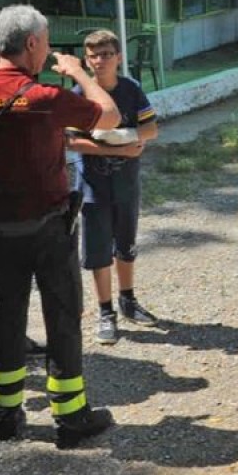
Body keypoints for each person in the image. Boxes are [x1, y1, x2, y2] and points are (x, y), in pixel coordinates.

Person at [0, 4, 121, 447]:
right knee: (61, 318)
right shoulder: (45, 99)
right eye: (44, 43)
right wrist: (80, 73)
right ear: (33, 44)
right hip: (49, 230)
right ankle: (70, 418)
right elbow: (110, 116)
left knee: (3, 321)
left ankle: (5, 414)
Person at [66, 29, 159, 345]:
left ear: (119, 57)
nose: (100, 60)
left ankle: (128, 299)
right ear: (86, 60)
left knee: (126, 242)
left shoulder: (131, 89)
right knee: (97, 250)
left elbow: (151, 127)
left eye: (106, 54)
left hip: (126, 182)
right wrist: (116, 149)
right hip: (93, 185)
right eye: (93, 55)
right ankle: (106, 312)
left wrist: (135, 138)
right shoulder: (79, 94)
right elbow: (73, 141)